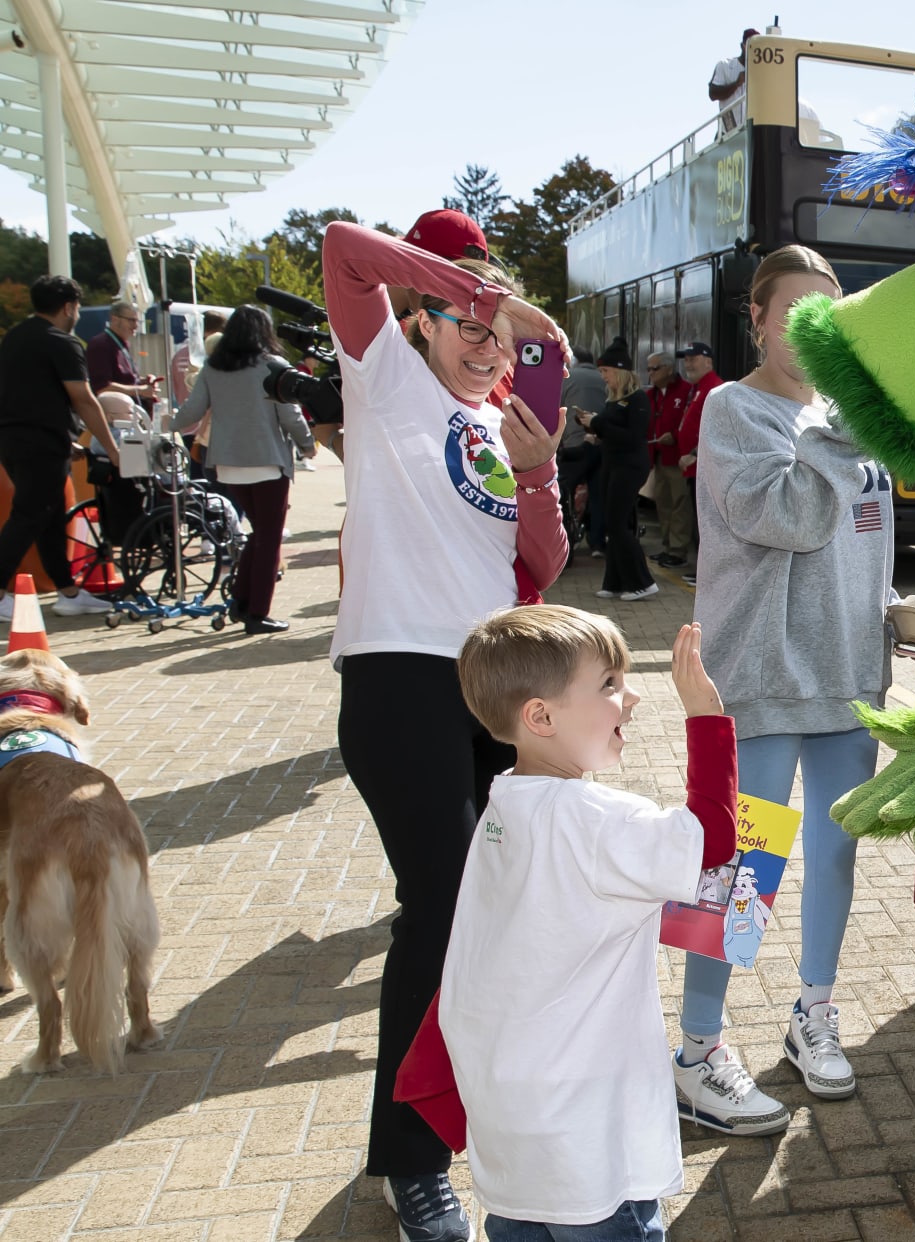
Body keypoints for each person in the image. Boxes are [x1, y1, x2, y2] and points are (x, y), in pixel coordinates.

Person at [321, 219, 569, 1242]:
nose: (486, 346)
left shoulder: (504, 424)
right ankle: (411, 1162)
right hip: (397, 676)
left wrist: (543, 477)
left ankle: (466, 1115)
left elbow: (539, 575)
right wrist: (483, 291)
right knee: (441, 910)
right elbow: (340, 245)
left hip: (492, 686)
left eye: (501, 337)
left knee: (488, 910)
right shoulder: (384, 376)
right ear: (423, 323)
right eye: (468, 325)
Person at [676, 244, 891, 1126]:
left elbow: (862, 538)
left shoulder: (847, 415)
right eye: (789, 312)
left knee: (837, 857)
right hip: (761, 682)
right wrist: (855, 425)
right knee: (743, 870)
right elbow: (791, 519)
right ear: (756, 320)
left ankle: (815, 1015)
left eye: (825, 317)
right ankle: (697, 1048)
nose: (807, 330)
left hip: (848, 682)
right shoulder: (732, 408)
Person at [444, 609, 738, 1242]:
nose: (629, 697)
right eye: (609, 682)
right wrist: (706, 716)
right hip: (587, 1134)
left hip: (510, 1118)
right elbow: (712, 839)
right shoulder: (597, 818)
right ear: (541, 717)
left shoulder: (503, 804)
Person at [168, 304, 316, 634]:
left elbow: (191, 410)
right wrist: (307, 445)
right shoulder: (273, 366)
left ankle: (240, 601)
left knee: (259, 536)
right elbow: (290, 415)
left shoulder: (213, 368)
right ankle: (256, 613)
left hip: (226, 463)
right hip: (266, 462)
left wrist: (168, 424)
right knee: (269, 539)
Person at [0, 275, 123, 620]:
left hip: (13, 439)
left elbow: (26, 395)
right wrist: (112, 449)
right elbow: (83, 399)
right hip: (40, 444)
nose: (79, 315)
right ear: (69, 306)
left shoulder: (14, 338)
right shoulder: (62, 343)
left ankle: (68, 592)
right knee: (29, 515)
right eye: (78, 308)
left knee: (49, 517)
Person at [586, 344, 656, 601]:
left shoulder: (638, 399)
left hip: (629, 466)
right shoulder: (613, 399)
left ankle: (642, 582)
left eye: (606, 371)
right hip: (612, 464)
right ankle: (615, 582)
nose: (603, 376)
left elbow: (634, 436)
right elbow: (612, 432)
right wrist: (595, 429)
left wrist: (597, 423)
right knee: (613, 524)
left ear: (620, 371)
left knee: (617, 525)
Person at [671, 342, 723, 585]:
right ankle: (702, 571)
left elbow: (717, 430)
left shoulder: (714, 387)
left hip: (704, 467)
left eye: (693, 358)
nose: (688, 363)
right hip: (693, 467)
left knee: (705, 525)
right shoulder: (698, 388)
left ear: (708, 361)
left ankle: (708, 575)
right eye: (686, 359)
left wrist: (693, 453)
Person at [559, 348, 610, 557]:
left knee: (564, 492)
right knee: (598, 495)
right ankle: (597, 543)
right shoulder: (604, 378)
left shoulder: (567, 377)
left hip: (575, 446)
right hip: (602, 444)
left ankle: (565, 542)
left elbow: (556, 407)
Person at [646, 353, 692, 568]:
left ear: (668, 369)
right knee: (663, 502)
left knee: (679, 504)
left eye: (654, 368)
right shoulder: (651, 395)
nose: (650, 373)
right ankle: (667, 546)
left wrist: (673, 435)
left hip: (676, 457)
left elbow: (687, 421)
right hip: (659, 457)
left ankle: (678, 549)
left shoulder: (685, 391)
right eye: (648, 369)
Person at [85, 300, 158, 410]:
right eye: (131, 321)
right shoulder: (100, 345)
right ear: (114, 319)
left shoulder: (122, 343)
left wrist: (142, 381)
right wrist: (140, 390)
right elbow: (102, 388)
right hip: (115, 417)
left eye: (137, 321)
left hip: (130, 413)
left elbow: (122, 379)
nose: (135, 326)